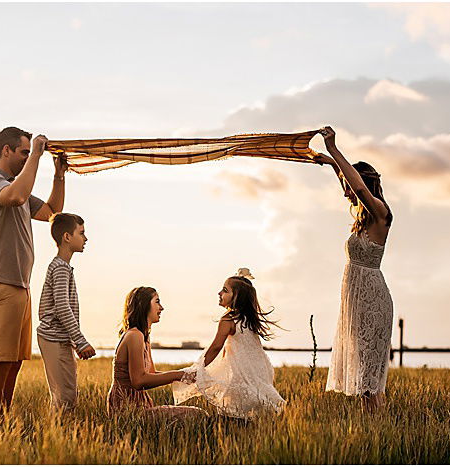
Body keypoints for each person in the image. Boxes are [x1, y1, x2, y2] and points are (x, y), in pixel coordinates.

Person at [0, 126, 67, 419]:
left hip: (19, 286)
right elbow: (13, 197)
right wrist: (36, 157)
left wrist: (59, 175)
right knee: (0, 361)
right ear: (6, 151)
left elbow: (52, 211)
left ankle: (2, 420)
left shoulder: (21, 188)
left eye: (29, 152)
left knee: (14, 362)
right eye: (24, 152)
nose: (28, 158)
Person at [314, 126, 394, 412]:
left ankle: (378, 428)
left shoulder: (381, 214)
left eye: (347, 184)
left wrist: (335, 150)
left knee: (369, 377)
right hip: (355, 299)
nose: (345, 191)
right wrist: (332, 165)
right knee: (362, 374)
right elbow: (353, 185)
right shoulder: (363, 219)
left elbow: (357, 187)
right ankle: (373, 427)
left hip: (372, 299)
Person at [172, 269, 286, 420]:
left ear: (237, 297)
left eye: (225, 290)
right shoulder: (248, 319)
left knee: (233, 415)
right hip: (258, 373)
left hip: (241, 376)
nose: (219, 293)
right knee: (256, 411)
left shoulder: (228, 320)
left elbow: (215, 347)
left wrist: (198, 368)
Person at [107, 286, 207, 419]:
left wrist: (186, 375)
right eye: (157, 301)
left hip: (139, 405)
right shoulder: (134, 335)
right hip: (127, 409)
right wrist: (178, 375)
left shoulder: (144, 336)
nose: (162, 307)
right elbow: (139, 381)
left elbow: (151, 374)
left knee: (198, 414)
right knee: (199, 415)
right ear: (144, 305)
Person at [36, 213, 96, 410]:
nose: (86, 238)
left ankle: (60, 435)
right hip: (54, 338)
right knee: (65, 397)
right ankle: (55, 437)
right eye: (82, 233)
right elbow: (62, 307)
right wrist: (80, 340)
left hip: (60, 338)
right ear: (67, 237)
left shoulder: (63, 267)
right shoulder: (60, 268)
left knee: (66, 395)